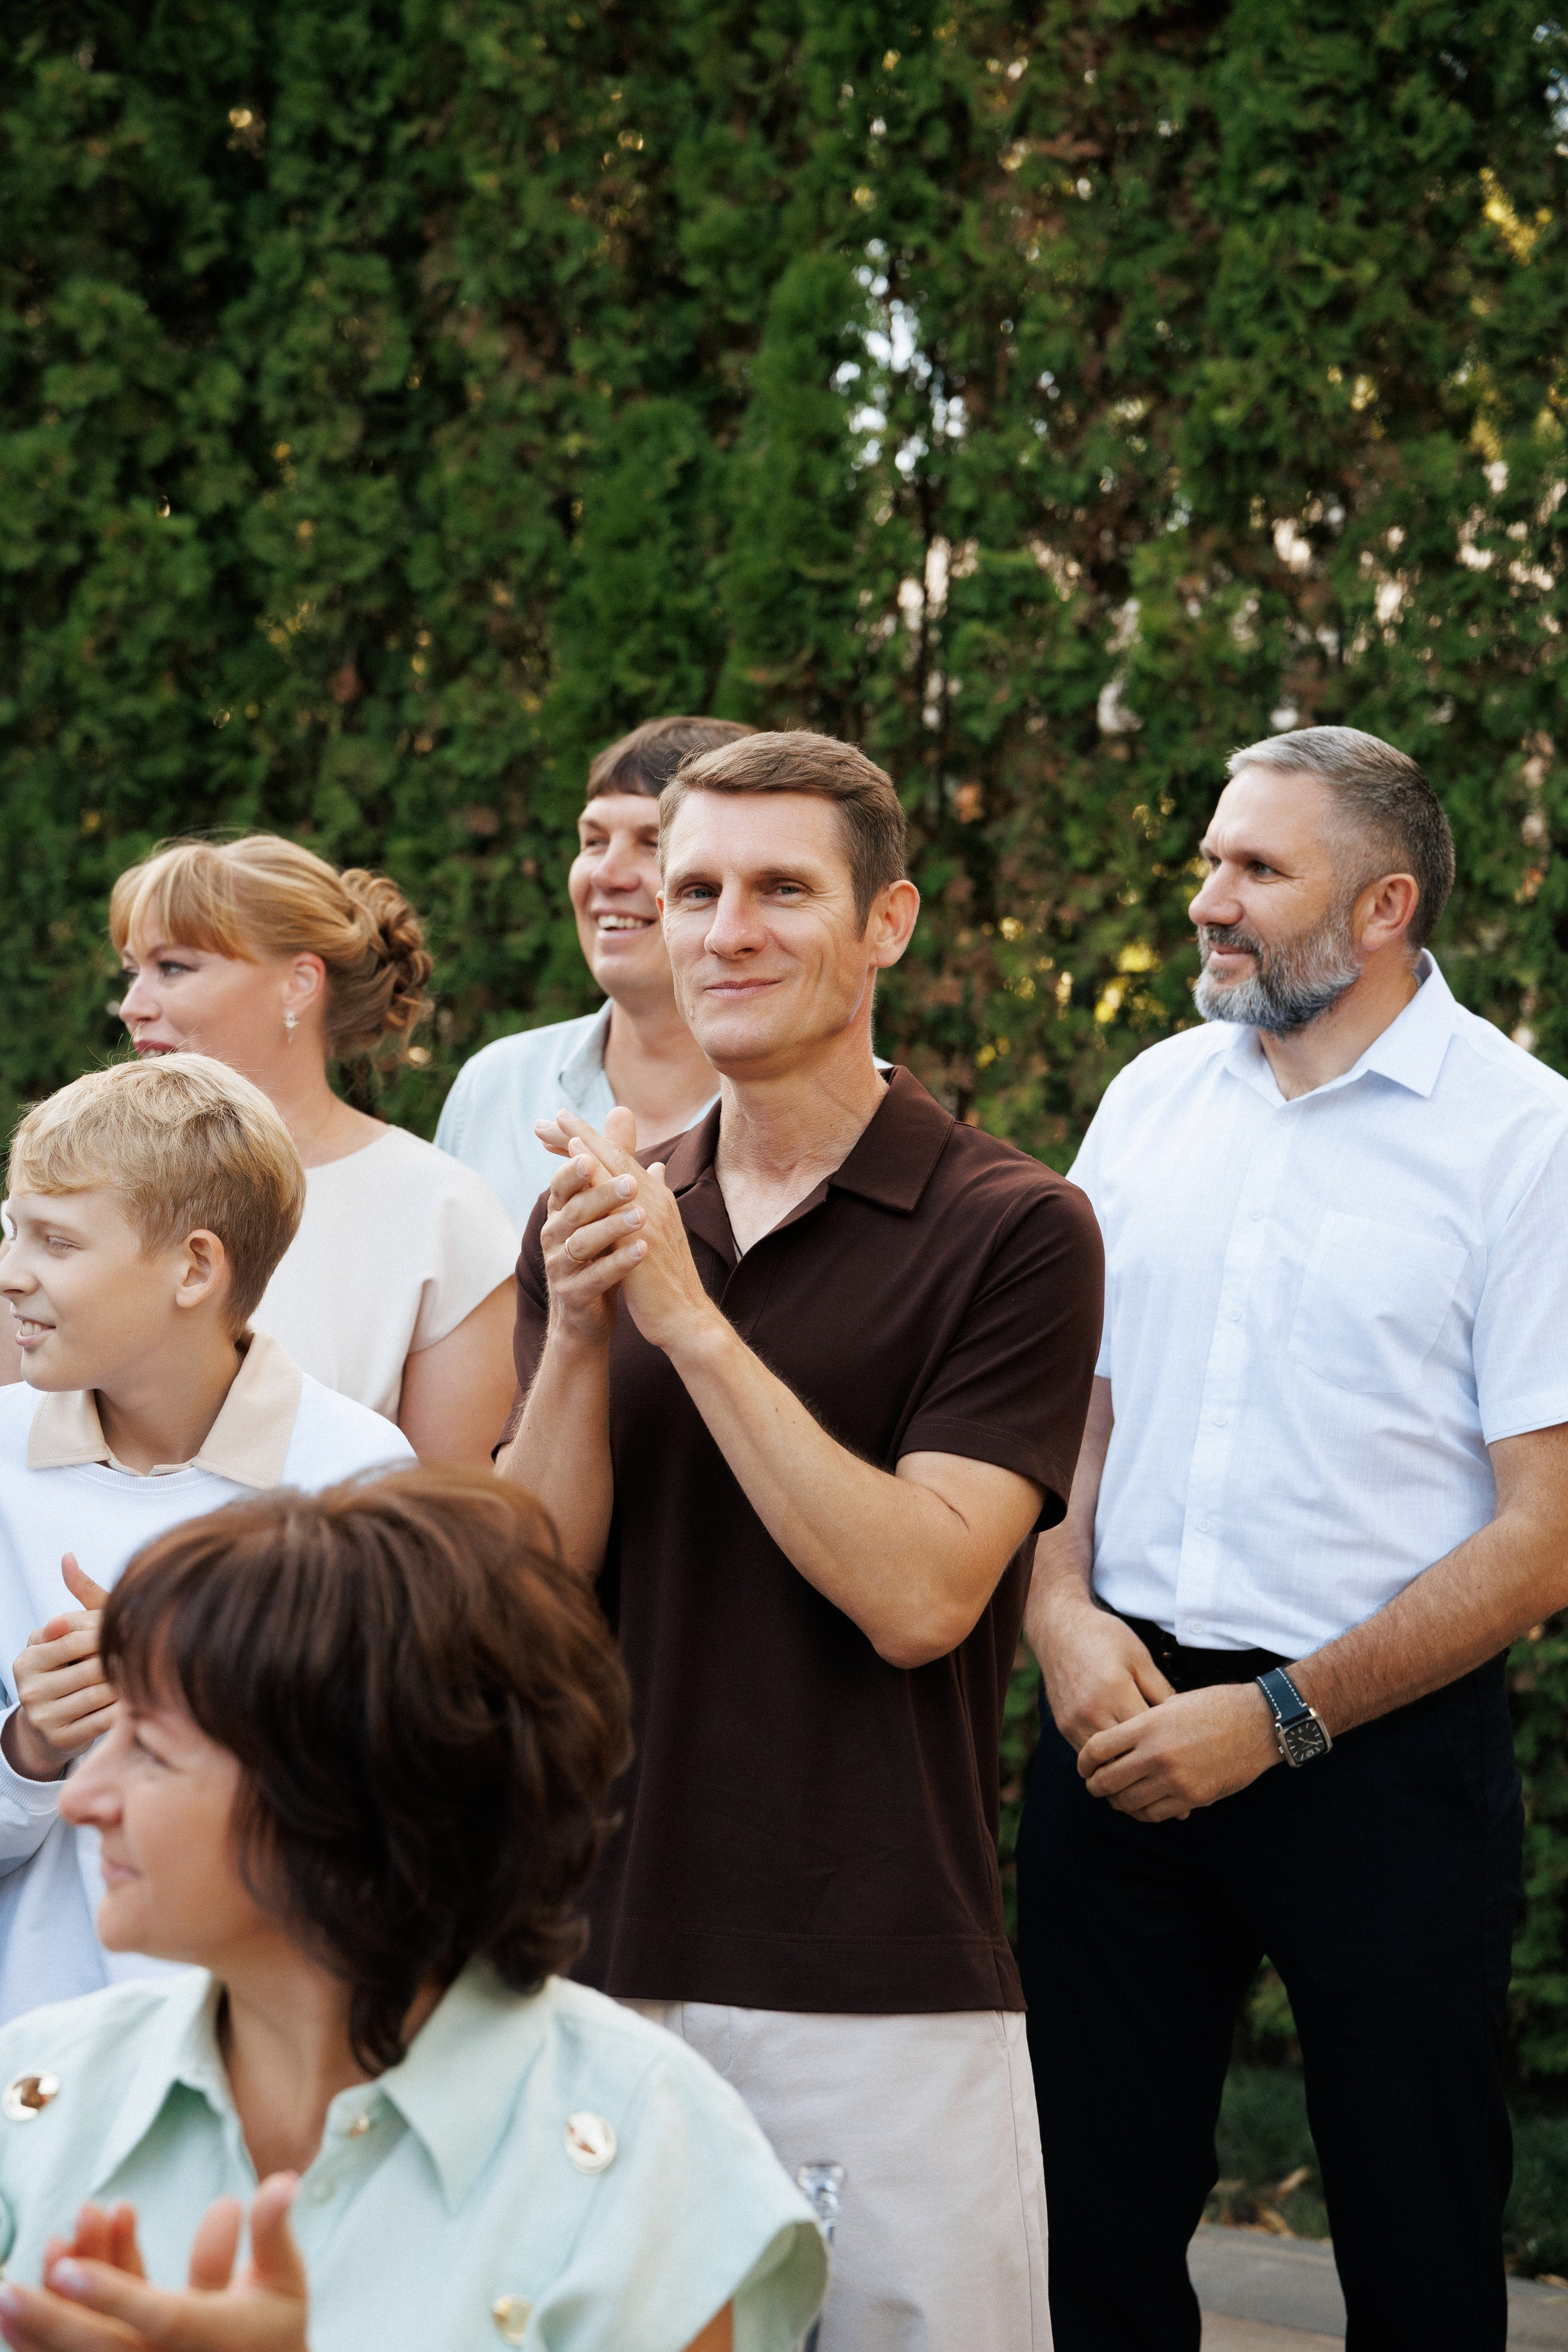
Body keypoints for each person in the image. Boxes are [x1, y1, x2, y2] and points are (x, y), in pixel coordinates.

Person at [500, 730, 1104, 2351]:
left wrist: (685, 1321)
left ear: (885, 925)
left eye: (782, 889)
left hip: (878, 1976)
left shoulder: (1012, 1227)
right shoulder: (610, 1202)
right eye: (696, 890)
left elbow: (919, 1594)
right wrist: (575, 1330)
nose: (724, 931)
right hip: (596, 1955)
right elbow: (531, 1601)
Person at [1016, 725, 1568, 2352]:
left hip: (1381, 1762)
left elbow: (1545, 1536)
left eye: (1258, 869)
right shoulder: (1154, 1095)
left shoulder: (1528, 1139)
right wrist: (1056, 1608)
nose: (1209, 900)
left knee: (1418, 2238)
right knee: (1089, 2223)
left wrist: (1279, 1721)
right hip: (1116, 1730)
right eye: (1208, 861)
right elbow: (1076, 1410)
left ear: (1385, 904)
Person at [0, 1469, 827, 2352]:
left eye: (152, 1753)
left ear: (348, 1797)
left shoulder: (650, 2149)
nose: (84, 1795)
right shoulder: (35, 2099)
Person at [0, 1054, 413, 2026]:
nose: (12, 1271)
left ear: (196, 1267)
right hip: (35, 2065)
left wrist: (188, 1700)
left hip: (268, 2045)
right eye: (12, 1229)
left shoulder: (359, 1478)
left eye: (56, 1241)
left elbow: (389, 1817)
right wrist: (30, 1746)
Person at [108, 835, 519, 1460]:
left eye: (173, 967)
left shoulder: (440, 1211)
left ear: (299, 983)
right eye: (132, 972)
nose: (135, 1007)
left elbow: (449, 1519)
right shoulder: (71, 1186)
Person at [435, 717, 743, 1229]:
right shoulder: (494, 1088)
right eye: (593, 840)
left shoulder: (848, 1111)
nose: (605, 874)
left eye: (653, 843)